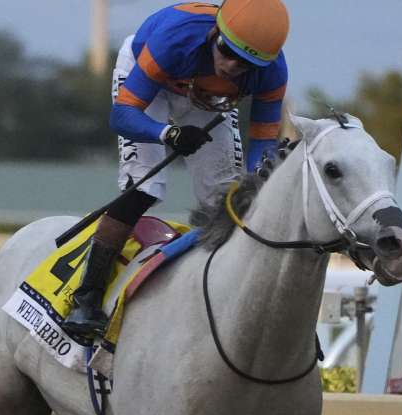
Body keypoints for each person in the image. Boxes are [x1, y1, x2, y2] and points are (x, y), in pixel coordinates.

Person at [64, 0, 290, 337]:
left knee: (228, 197)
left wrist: (262, 177)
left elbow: (263, 141)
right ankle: (87, 296)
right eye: (226, 52)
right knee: (145, 187)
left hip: (205, 96)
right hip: (150, 81)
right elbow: (123, 116)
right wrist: (167, 134)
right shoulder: (174, 40)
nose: (231, 66)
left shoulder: (272, 73)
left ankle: (228, 295)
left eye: (245, 64)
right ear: (216, 33)